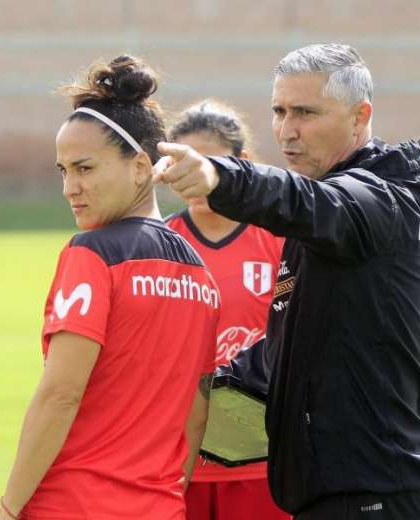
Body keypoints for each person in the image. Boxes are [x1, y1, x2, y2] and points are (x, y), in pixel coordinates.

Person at [155, 43, 420, 519]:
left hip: (373, 494)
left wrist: (220, 176)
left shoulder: (375, 200)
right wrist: (206, 388)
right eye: (279, 111)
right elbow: (289, 347)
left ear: (360, 116)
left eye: (305, 113)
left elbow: (305, 201)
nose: (287, 130)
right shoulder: (322, 216)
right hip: (332, 492)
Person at [0, 55, 220, 520]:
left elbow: (60, 394)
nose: (69, 188)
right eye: (63, 171)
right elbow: (196, 417)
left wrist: (8, 509)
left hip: (71, 506)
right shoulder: (203, 275)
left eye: (85, 169)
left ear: (139, 167)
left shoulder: (92, 255)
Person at [164, 100, 290, 520]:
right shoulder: (159, 244)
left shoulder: (279, 240)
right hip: (177, 463)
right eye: (181, 164)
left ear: (243, 163)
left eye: (209, 163)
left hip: (262, 459)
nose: (193, 177)